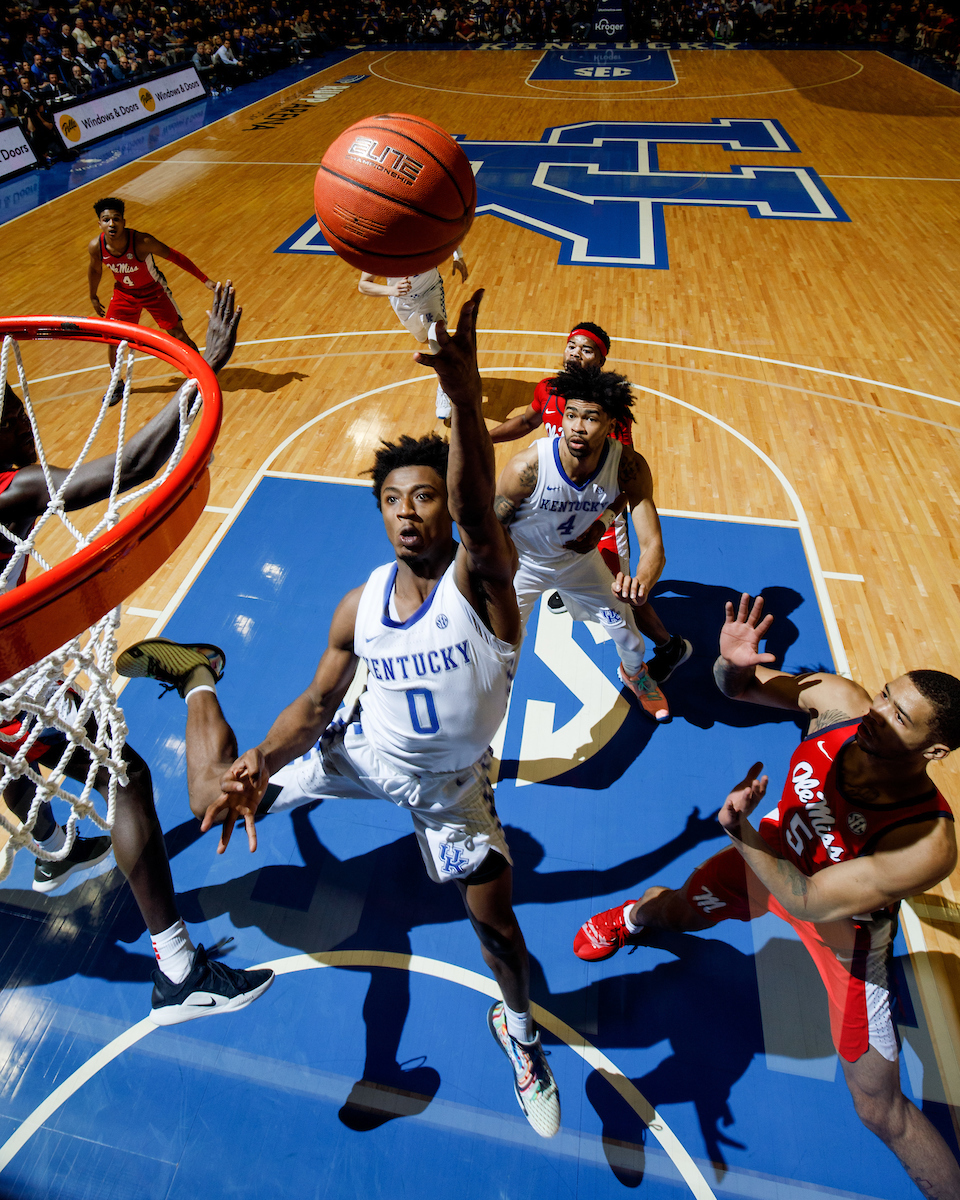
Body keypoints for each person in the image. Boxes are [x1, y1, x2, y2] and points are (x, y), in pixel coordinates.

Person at [116, 291, 561, 1139]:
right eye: (393, 499)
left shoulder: (485, 586)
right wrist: (262, 766)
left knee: (499, 933)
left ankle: (522, 1031)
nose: (407, 510)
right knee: (215, 792)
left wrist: (465, 401)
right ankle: (199, 675)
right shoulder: (360, 605)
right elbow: (317, 703)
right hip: (358, 752)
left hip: (449, 791)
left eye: (423, 496)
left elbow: (477, 511)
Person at [574, 593, 960, 1200]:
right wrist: (732, 664)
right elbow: (739, 689)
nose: (878, 714)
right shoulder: (839, 703)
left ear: (934, 753)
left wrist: (741, 833)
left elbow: (810, 901)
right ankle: (632, 915)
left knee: (879, 1108)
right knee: (673, 912)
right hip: (767, 855)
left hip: (842, 930)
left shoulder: (927, 839)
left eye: (901, 718)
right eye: (886, 694)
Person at [0, 285, 274, 1025]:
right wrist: (203, 370)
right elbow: (132, 464)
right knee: (127, 776)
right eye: (15, 414)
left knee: (22, 752)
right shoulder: (12, 489)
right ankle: (180, 971)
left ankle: (55, 846)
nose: (26, 421)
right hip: (5, 678)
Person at [489, 322, 691, 689]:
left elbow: (625, 488)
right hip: (551, 517)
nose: (575, 353)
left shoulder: (616, 428)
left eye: (586, 349)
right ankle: (566, 590)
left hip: (598, 512)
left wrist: (603, 524)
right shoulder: (547, 397)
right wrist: (484, 437)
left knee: (621, 590)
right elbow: (526, 421)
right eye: (571, 346)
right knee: (498, 634)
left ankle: (668, 645)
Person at [87, 197, 218, 405]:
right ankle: (116, 383)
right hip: (124, 294)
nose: (111, 224)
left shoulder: (142, 242)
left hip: (154, 291)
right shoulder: (96, 246)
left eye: (116, 219)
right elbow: (95, 269)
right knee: (112, 339)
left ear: (124, 221)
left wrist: (204, 279)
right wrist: (93, 295)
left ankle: (203, 374)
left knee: (178, 334)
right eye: (106, 220)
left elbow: (175, 257)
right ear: (100, 223)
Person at [358, 250, 468, 421]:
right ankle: (447, 360)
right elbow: (363, 284)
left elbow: (449, 227)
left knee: (436, 341)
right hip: (402, 301)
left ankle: (444, 389)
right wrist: (392, 290)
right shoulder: (383, 248)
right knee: (423, 338)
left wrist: (458, 256)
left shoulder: (424, 229)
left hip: (430, 291)